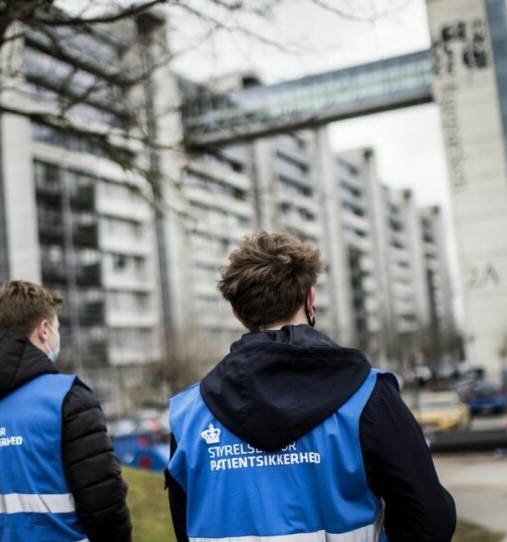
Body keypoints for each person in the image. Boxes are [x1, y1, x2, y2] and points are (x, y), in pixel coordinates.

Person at [166, 231, 456, 541]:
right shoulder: (369, 396)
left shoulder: (188, 415)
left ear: (238, 315)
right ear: (310, 298)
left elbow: (185, 527)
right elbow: (429, 521)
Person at [0, 281, 132, 542]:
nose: (57, 337)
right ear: (44, 329)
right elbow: (105, 507)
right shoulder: (69, 400)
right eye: (57, 329)